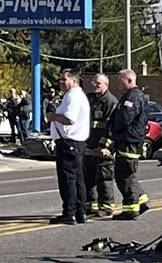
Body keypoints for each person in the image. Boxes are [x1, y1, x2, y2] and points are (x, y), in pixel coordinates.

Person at [103, 69, 149, 220]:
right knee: (129, 174)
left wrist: (116, 137)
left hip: (128, 141)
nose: (118, 83)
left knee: (124, 176)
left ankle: (130, 209)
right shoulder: (134, 96)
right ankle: (141, 200)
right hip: (129, 140)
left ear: (129, 80)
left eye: (120, 80)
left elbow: (124, 119)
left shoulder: (132, 97)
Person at [47, 69, 90, 225]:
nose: (61, 82)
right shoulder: (71, 96)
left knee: (68, 179)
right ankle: (80, 212)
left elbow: (69, 119)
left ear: (74, 81)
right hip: (73, 143)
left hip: (69, 142)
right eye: (60, 80)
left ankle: (69, 212)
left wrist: (52, 117)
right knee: (77, 178)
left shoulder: (74, 96)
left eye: (65, 79)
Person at [85, 74, 118, 218]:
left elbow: (113, 127)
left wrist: (104, 146)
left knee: (104, 178)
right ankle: (90, 205)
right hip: (88, 145)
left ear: (106, 84)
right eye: (93, 82)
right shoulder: (90, 99)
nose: (94, 85)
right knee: (88, 177)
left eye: (98, 83)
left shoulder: (111, 102)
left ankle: (106, 206)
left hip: (103, 147)